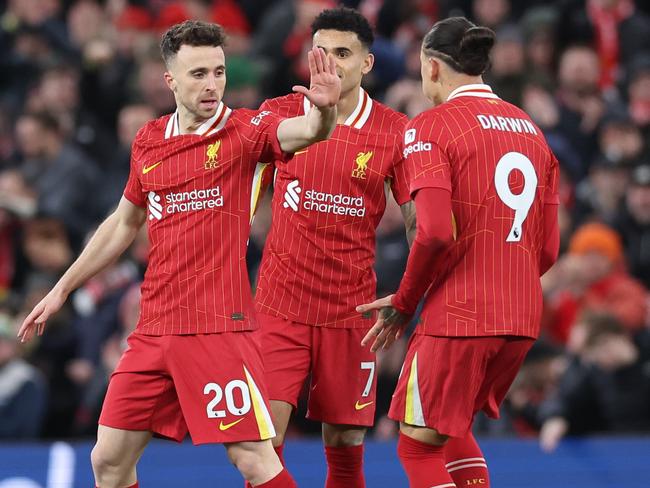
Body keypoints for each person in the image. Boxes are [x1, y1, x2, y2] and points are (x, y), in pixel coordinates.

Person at [18, 20, 341, 488]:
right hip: (153, 330)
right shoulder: (149, 140)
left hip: (216, 328)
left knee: (253, 457)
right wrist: (61, 289)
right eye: (198, 74)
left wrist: (325, 113)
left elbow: (307, 131)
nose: (212, 84)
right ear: (170, 80)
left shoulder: (247, 131)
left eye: (219, 71)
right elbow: (124, 223)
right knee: (108, 462)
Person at [357, 17, 560, 488]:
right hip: (521, 317)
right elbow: (547, 248)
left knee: (415, 446)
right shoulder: (531, 129)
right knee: (450, 429)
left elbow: (432, 234)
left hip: (461, 315)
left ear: (432, 68)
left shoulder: (430, 126)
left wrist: (404, 302)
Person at [253, 7, 414, 488]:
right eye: (322, 52)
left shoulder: (394, 130)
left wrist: (409, 294)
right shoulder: (281, 113)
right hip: (280, 307)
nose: (331, 64)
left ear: (367, 63)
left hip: (351, 313)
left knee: (345, 445)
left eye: (344, 53)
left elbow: (417, 224)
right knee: (264, 444)